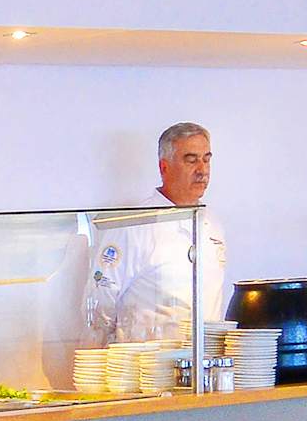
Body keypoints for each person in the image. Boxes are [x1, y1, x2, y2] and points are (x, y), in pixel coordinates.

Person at [86, 121, 228, 345]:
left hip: (205, 360)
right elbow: (99, 302)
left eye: (206, 159)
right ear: (164, 167)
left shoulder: (213, 224)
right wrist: (103, 358)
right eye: (191, 160)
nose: (202, 170)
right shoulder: (133, 226)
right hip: (147, 362)